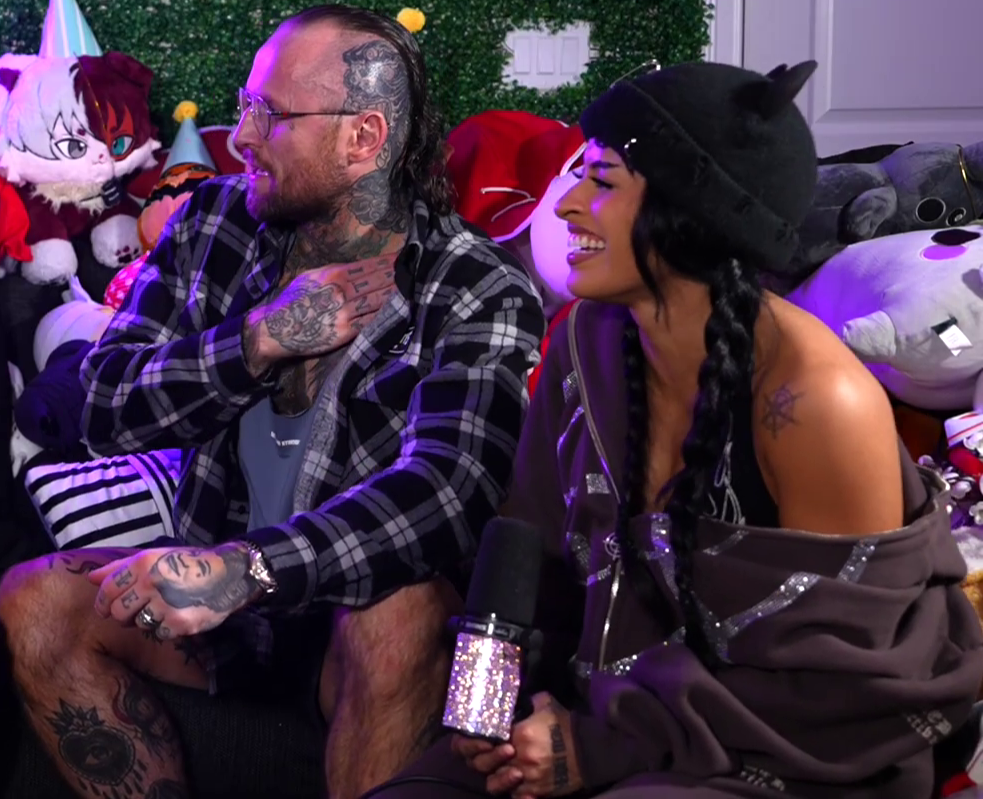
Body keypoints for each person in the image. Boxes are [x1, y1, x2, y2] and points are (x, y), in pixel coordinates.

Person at [381, 61, 983, 799]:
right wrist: (484, 700)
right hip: (613, 712)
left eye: (601, 181)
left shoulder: (818, 401)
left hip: (798, 754)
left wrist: (597, 750)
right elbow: (528, 544)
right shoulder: (584, 339)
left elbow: (837, 685)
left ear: (693, 212)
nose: (566, 205)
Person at [0, 5, 548, 799]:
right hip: (223, 620)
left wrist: (249, 569)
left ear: (363, 138)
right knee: (36, 599)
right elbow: (103, 405)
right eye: (245, 106)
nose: (242, 137)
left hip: (351, 618)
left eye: (271, 115)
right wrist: (257, 341)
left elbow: (449, 493)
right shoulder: (213, 223)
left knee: (400, 613)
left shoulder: (475, 285)